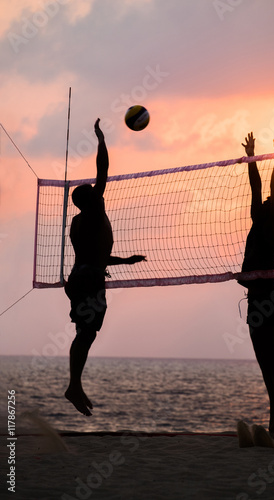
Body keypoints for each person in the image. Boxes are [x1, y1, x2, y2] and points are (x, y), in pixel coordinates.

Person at [64, 118, 146, 416]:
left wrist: (124, 261)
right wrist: (100, 139)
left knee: (84, 333)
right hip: (88, 282)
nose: (95, 189)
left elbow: (93, 256)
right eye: (91, 190)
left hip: (80, 279)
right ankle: (73, 385)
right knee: (86, 334)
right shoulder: (94, 212)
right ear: (89, 200)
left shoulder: (78, 222)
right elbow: (103, 172)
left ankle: (75, 384)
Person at [238, 129, 274, 437]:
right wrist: (252, 157)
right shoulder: (259, 218)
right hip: (257, 299)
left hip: (268, 298)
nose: (270, 199)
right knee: (264, 361)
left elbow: (272, 185)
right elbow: (256, 187)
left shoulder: (273, 225)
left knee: (273, 357)